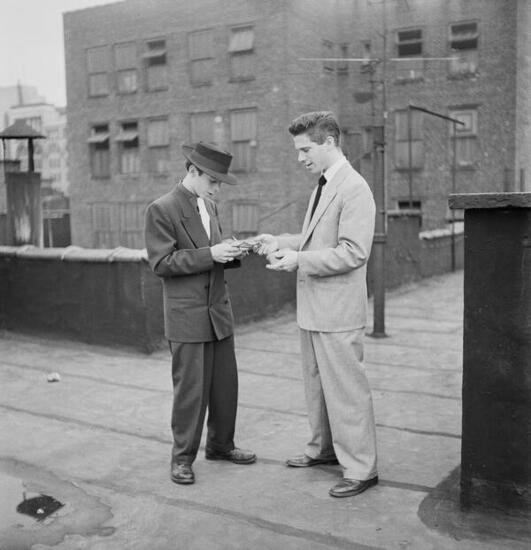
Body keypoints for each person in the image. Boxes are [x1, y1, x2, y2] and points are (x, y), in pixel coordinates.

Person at [255, 111, 378, 498]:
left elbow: (353, 252)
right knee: (318, 388)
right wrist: (279, 241)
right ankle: (323, 449)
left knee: (347, 392)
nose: (300, 157)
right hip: (314, 309)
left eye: (305, 149)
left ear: (329, 142)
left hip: (338, 313)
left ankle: (361, 469)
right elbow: (314, 239)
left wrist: (299, 260)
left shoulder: (355, 188)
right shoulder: (324, 185)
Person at [144, 141, 256, 485]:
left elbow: (212, 254)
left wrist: (232, 252)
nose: (217, 188)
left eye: (220, 182)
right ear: (192, 172)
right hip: (187, 317)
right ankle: (182, 459)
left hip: (217, 312)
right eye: (213, 181)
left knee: (225, 387)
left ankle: (221, 446)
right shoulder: (161, 208)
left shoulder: (210, 206)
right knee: (191, 393)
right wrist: (212, 254)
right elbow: (162, 263)